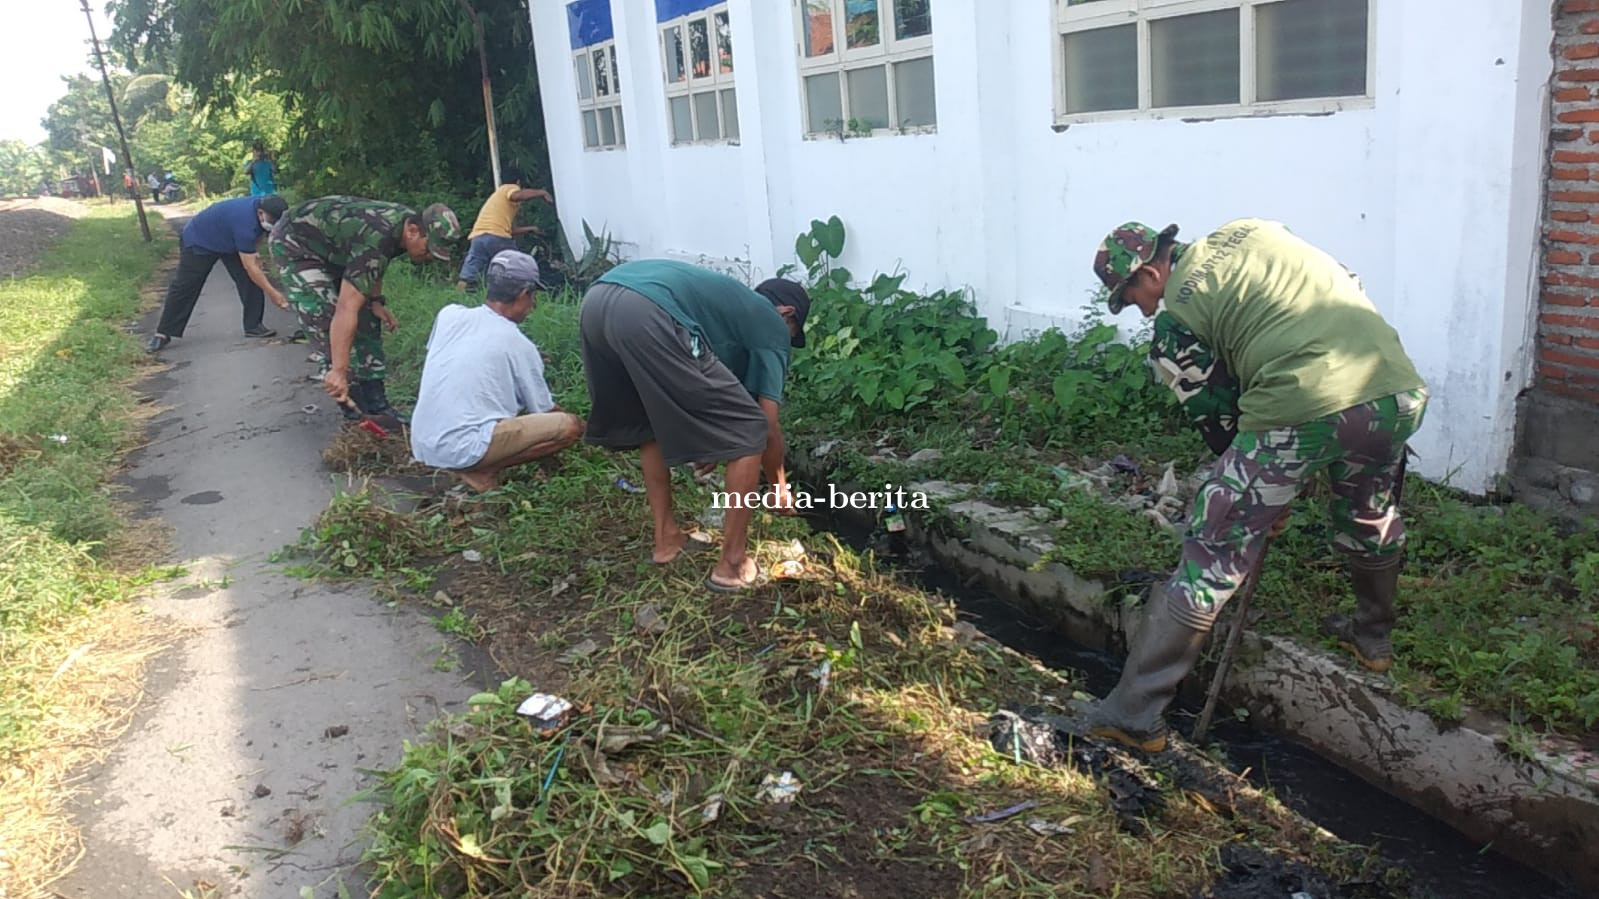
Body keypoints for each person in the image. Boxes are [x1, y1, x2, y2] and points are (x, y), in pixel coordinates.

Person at [1083, 219, 1428, 753]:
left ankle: (1132, 715)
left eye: (1133, 297)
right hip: (1394, 388)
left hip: (1304, 402)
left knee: (1212, 549)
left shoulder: (1175, 321)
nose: (1144, 310)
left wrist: (1262, 494)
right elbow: (1346, 281)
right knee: (1368, 507)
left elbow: (1218, 418)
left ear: (1151, 271)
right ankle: (1373, 637)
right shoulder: (1253, 231)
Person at [579, 259, 811, 592]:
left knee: (649, 420)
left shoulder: (723, 311)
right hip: (648, 309)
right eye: (792, 333)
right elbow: (766, 425)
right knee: (750, 428)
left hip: (597, 302)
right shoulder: (770, 322)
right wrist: (779, 488)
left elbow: (702, 396)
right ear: (787, 313)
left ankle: (666, 540)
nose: (786, 343)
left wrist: (716, 440)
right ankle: (732, 564)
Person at [267, 196, 460, 421]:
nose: (428, 257)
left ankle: (378, 406)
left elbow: (374, 264)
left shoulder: (402, 228)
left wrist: (376, 301)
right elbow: (346, 308)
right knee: (327, 318)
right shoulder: (380, 234)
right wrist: (339, 370)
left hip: (334, 247)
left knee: (367, 315)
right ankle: (355, 411)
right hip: (295, 243)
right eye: (429, 249)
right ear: (414, 230)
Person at [410, 250, 585, 491]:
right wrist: (591, 433)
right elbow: (544, 411)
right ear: (524, 294)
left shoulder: (449, 315)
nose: (533, 305)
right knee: (569, 426)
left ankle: (473, 465)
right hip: (463, 448)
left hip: (422, 443)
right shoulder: (518, 344)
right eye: (533, 297)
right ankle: (482, 470)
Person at [145, 194, 292, 353]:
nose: (273, 224)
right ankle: (163, 333)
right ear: (260, 213)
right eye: (272, 220)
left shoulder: (264, 208)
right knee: (185, 286)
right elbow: (251, 267)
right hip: (200, 241)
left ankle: (253, 326)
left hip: (229, 240)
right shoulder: (244, 223)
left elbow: (258, 236)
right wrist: (273, 293)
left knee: (250, 280)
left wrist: (256, 253)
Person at [455, 169, 552, 290]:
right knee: (516, 268)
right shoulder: (509, 188)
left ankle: (457, 295)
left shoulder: (496, 198)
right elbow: (516, 195)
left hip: (478, 237)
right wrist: (541, 193)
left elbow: (508, 230)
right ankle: (522, 295)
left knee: (468, 276)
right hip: (497, 237)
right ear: (518, 182)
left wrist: (530, 229)